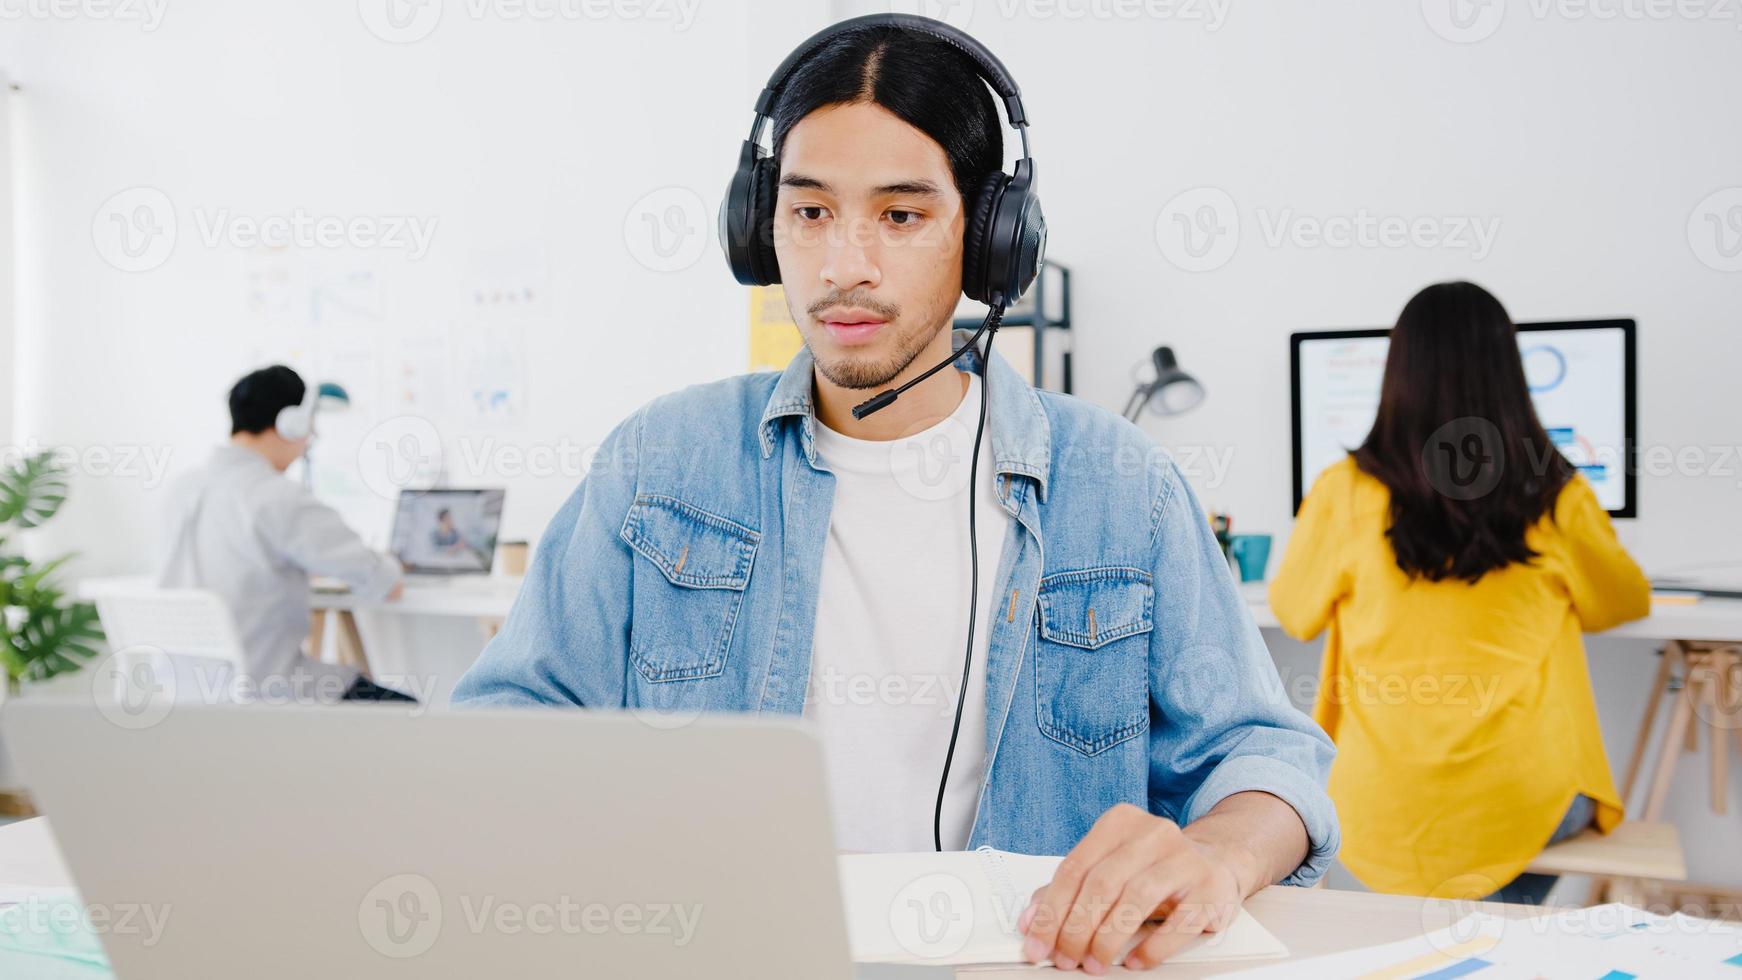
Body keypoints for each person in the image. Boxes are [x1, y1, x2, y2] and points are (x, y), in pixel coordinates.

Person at [454, 16, 1335, 971]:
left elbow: (1266, 757)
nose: (846, 266)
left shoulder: (1124, 487)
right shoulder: (661, 462)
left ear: (991, 243)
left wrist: (1216, 852)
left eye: (902, 216)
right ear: (761, 228)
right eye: (811, 212)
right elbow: (502, 735)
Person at [1270, 281, 1650, 904]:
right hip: (1525, 801)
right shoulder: (1557, 496)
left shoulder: (1343, 491)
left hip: (1380, 804)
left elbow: (1293, 612)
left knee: (1409, 941)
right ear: (1509, 373)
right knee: (1497, 927)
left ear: (1398, 372)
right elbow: (1623, 603)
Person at [158, 365, 413, 703]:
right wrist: (392, 563)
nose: (311, 439)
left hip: (185, 696)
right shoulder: (276, 496)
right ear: (290, 422)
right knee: (408, 711)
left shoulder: (181, 489)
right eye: (310, 426)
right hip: (267, 694)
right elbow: (384, 584)